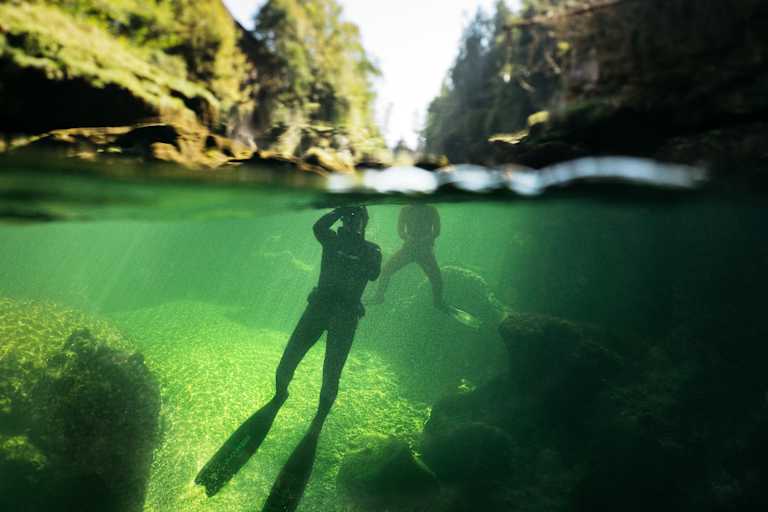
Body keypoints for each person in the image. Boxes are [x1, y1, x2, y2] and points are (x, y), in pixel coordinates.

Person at [196, 206, 381, 509]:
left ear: (364, 223)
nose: (351, 222)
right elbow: (319, 226)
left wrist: (353, 238)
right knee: (287, 363)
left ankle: (317, 422)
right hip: (319, 308)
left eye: (356, 218)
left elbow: (372, 273)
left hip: (344, 316)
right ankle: (279, 397)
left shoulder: (370, 250)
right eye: (349, 218)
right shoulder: (331, 240)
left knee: (331, 374)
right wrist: (340, 211)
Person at [370, 203, 445, 310]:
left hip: (424, 250)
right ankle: (379, 296)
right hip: (411, 248)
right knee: (387, 270)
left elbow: (436, 231)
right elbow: (401, 231)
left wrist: (424, 239)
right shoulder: (406, 209)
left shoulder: (431, 209)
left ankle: (438, 302)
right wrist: (408, 237)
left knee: (436, 278)